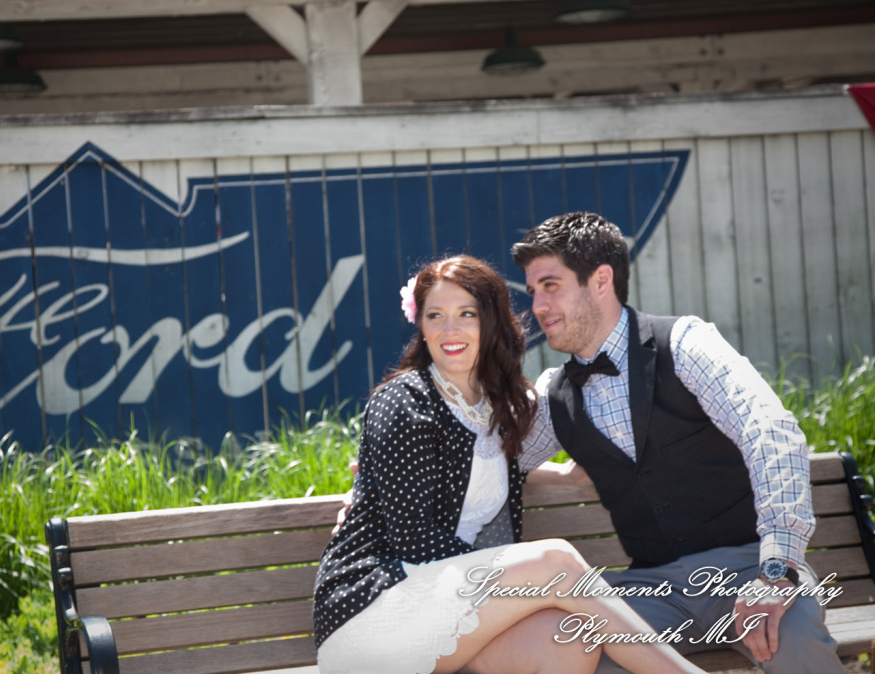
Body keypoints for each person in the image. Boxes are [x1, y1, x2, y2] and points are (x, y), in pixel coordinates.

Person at [313, 255, 708, 674]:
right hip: (376, 607)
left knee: (567, 638)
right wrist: (520, 578)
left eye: (467, 314)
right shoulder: (405, 401)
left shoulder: (501, 408)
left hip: (449, 608)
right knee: (554, 561)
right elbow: (413, 539)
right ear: (421, 326)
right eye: (436, 316)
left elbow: (489, 474)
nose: (451, 330)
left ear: (491, 322)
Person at [511, 212, 844, 673]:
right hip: (651, 588)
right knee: (587, 660)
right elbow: (494, 467)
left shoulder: (686, 343)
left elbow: (770, 433)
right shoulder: (554, 395)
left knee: (791, 641)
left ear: (601, 280)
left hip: (749, 566)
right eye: (533, 291)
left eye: (551, 285)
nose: (538, 305)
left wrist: (776, 570)